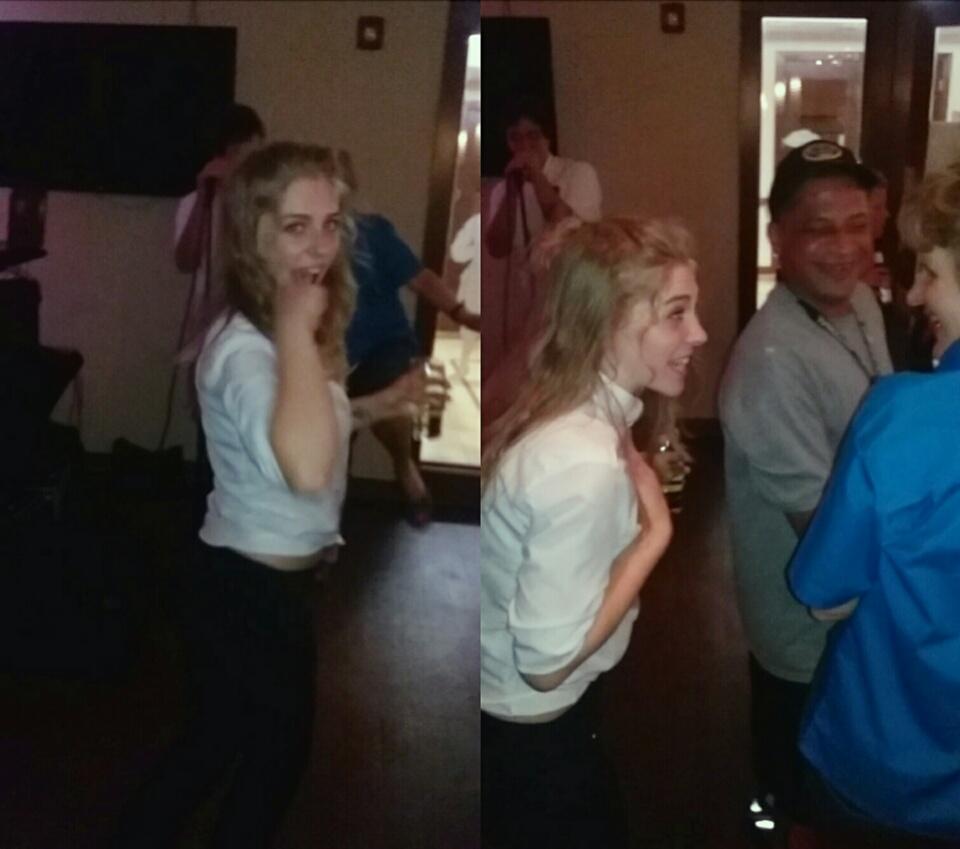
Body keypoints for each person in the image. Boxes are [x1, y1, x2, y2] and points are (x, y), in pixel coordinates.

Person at [112, 142, 429, 849]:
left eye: (331, 223)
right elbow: (307, 465)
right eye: (295, 226)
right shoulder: (248, 350)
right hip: (247, 592)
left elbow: (307, 421)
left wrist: (377, 405)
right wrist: (293, 327)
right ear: (252, 235)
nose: (321, 245)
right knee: (268, 762)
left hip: (256, 584)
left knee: (213, 745)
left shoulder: (279, 335)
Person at [481, 217, 707, 849]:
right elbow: (547, 667)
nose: (698, 333)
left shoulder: (577, 407)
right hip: (532, 729)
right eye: (676, 313)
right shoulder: (580, 460)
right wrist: (653, 538)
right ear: (607, 321)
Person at [717, 139, 894, 830]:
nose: (845, 247)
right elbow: (820, 536)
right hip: (805, 623)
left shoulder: (860, 302)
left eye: (858, 225)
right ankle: (770, 816)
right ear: (777, 238)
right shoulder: (772, 359)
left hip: (854, 604)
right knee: (796, 780)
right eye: (819, 229)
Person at [786, 162, 960, 843]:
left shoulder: (904, 414)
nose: (914, 293)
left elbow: (822, 589)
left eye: (933, 273)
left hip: (888, 764)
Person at [339, 152, 479, 526]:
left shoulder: (373, 232)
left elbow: (421, 278)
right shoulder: (300, 239)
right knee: (330, 431)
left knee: (392, 385)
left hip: (383, 344)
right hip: (330, 354)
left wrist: (461, 313)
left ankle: (404, 465)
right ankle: (330, 509)